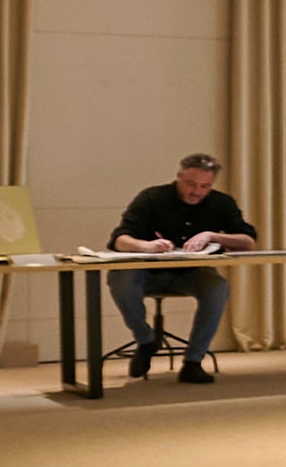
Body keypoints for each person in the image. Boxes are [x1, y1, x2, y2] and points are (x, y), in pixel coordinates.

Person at [106, 152, 257, 383]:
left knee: (217, 288)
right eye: (191, 184)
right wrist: (146, 246)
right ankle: (146, 340)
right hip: (146, 272)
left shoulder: (221, 202)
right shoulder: (151, 198)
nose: (197, 191)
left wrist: (212, 235)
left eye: (205, 186)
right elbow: (119, 239)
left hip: (192, 273)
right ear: (178, 177)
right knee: (119, 279)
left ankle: (193, 362)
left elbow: (248, 242)